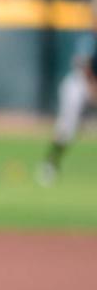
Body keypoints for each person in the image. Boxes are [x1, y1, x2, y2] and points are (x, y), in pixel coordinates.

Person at [37, 28, 97, 186]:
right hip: (79, 86)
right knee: (67, 129)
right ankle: (50, 164)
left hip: (91, 86)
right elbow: (86, 69)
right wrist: (93, 90)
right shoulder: (88, 40)